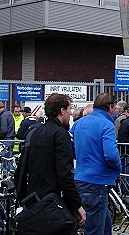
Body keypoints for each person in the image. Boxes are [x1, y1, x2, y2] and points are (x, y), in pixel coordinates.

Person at [14, 93, 86, 230]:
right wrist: (77, 205)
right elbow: (65, 175)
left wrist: (22, 197)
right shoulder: (60, 134)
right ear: (62, 110)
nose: (70, 113)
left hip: (34, 200)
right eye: (69, 109)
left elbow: (21, 169)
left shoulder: (34, 132)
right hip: (54, 203)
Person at [70, 93, 121, 235]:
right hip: (97, 182)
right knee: (94, 229)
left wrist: (80, 156)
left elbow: (69, 145)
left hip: (80, 178)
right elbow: (111, 155)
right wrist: (117, 169)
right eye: (114, 107)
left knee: (105, 222)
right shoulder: (107, 125)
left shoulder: (79, 123)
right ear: (110, 107)